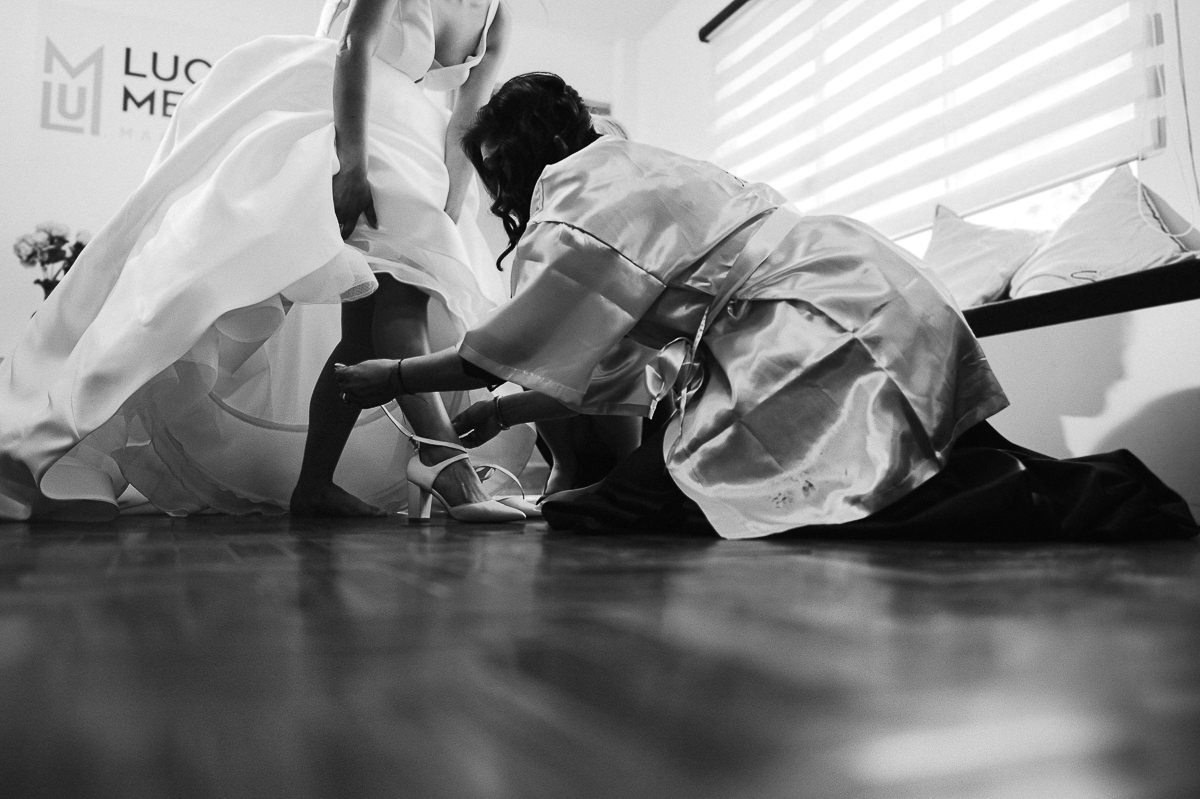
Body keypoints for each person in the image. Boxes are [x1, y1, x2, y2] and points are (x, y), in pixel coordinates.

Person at [335, 72, 1199, 541]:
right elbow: (612, 367)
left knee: (665, 504)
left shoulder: (574, 195)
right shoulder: (637, 167)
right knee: (928, 454)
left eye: (494, 174)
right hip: (861, 287)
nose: (498, 197)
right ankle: (1096, 492)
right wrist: (501, 406)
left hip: (806, 326)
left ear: (517, 157)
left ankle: (1097, 497)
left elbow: (532, 340)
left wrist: (393, 375)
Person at [0, 0, 530, 523]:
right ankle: (444, 460)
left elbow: (467, 118)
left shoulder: (496, 15)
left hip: (419, 146)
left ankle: (315, 485)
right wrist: (351, 162)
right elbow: (353, 47)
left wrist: (450, 207)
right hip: (352, 120)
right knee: (399, 304)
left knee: (365, 334)